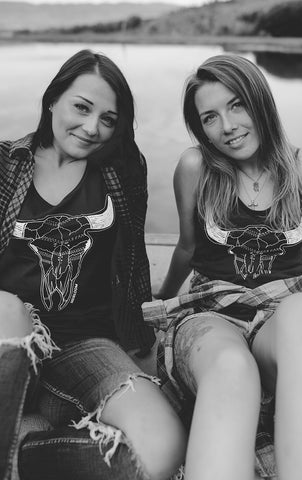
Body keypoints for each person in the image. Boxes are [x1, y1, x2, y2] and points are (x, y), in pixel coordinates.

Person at [0, 49, 186, 480]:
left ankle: (21, 458)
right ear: (53, 99)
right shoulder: (4, 163)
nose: (91, 127)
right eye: (81, 107)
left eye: (108, 118)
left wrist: (141, 336)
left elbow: (135, 258)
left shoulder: (121, 171)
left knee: (163, 447)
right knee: (7, 307)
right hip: (8, 333)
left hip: (85, 342)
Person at [148, 54, 302, 480]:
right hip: (211, 312)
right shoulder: (196, 168)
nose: (226, 126)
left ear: (260, 99)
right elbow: (188, 248)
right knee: (231, 367)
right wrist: (163, 298)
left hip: (280, 314)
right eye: (210, 117)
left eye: (237, 104)